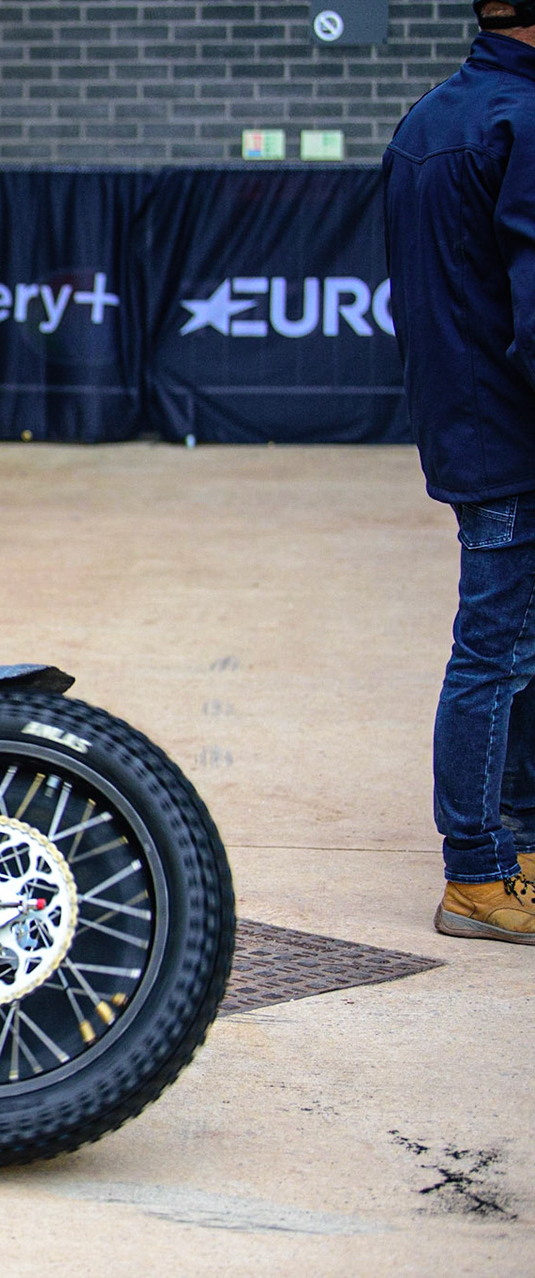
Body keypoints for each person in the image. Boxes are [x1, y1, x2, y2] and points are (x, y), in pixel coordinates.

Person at [386, 0, 535, 945]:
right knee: (495, 654)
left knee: (514, 652)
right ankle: (477, 874)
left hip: (470, 428)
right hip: (513, 437)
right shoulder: (520, 120)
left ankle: (509, 849)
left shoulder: (429, 117)